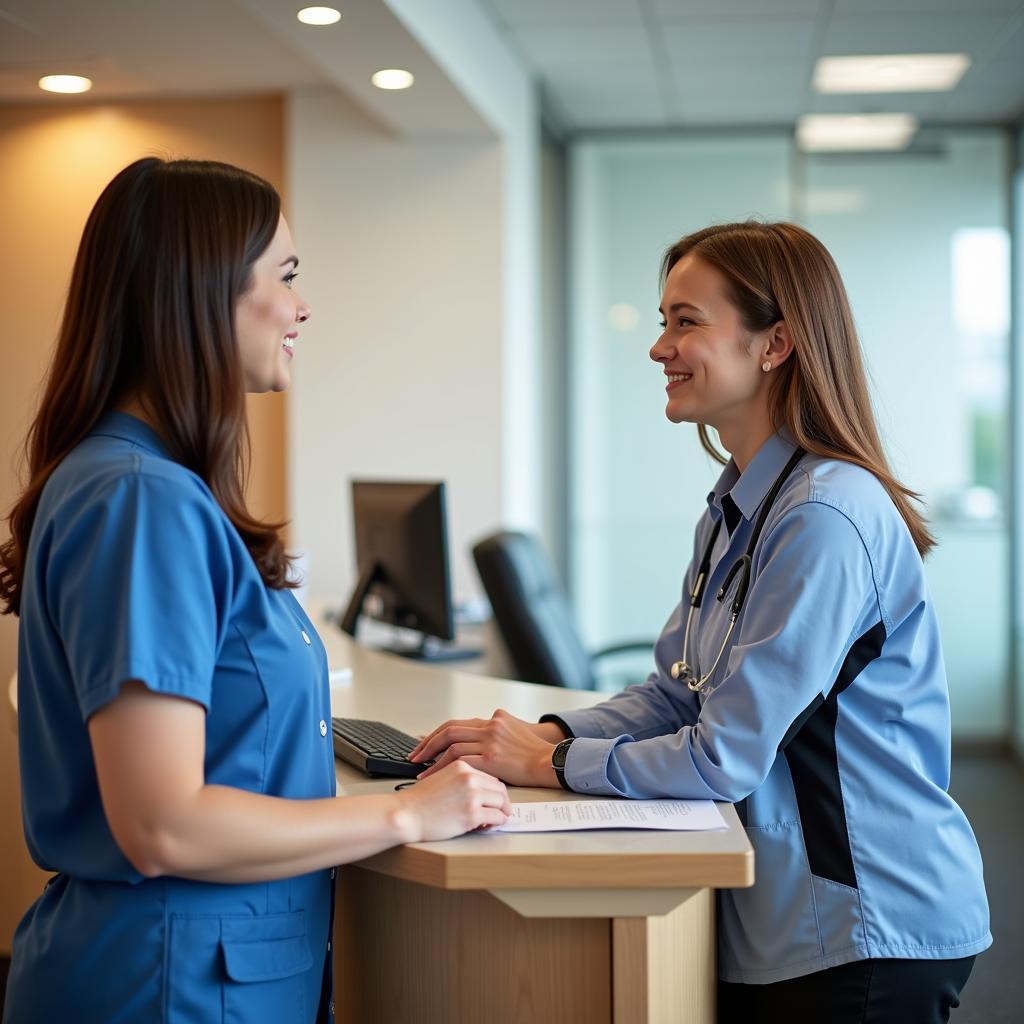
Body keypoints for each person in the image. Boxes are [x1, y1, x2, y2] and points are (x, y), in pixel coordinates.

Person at [409, 221, 992, 1022]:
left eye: (686, 321)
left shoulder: (824, 514)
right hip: (786, 918)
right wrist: (542, 731)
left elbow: (724, 756)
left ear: (775, 344)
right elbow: (676, 695)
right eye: (662, 321)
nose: (659, 347)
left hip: (863, 927)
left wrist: (555, 762)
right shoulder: (738, 503)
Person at [0, 157, 510, 1024]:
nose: (303, 307)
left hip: (197, 974)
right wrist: (405, 817)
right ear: (201, 292)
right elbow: (163, 823)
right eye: (287, 276)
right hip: (168, 987)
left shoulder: (149, 485)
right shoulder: (139, 499)